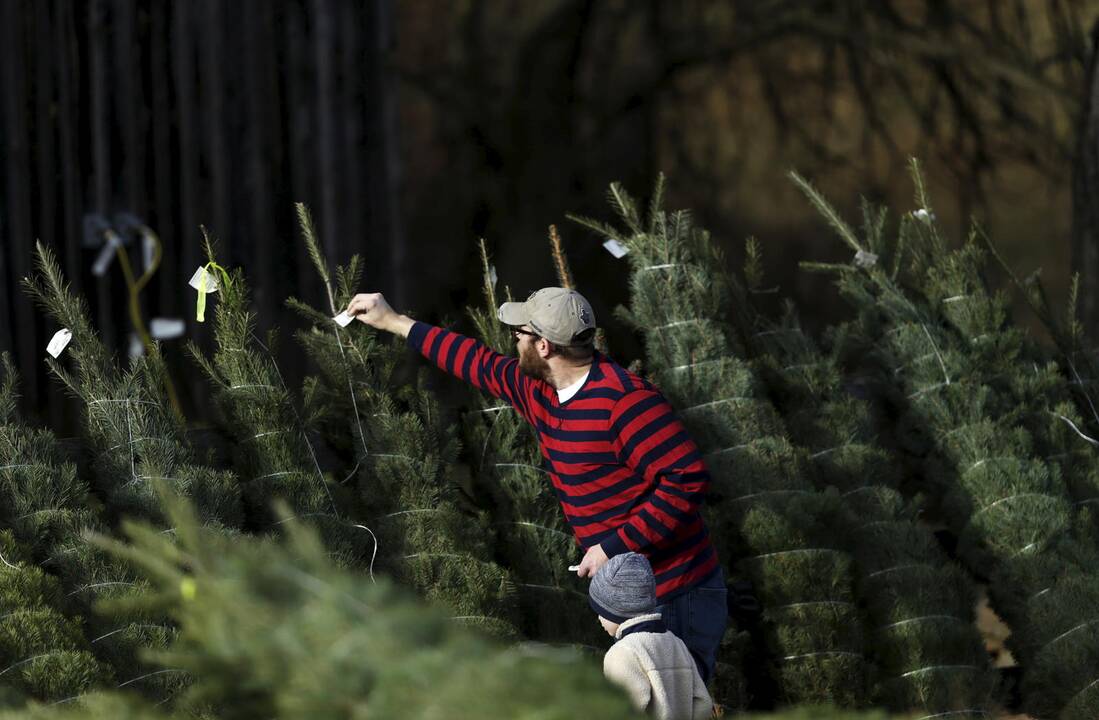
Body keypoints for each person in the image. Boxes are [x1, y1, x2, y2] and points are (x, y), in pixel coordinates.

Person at [345, 287, 727, 681]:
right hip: (627, 591)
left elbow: (685, 481)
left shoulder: (625, 402)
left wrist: (613, 546)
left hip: (678, 590)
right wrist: (392, 321)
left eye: (520, 334)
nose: (515, 339)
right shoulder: (540, 389)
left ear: (543, 346)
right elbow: (474, 361)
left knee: (680, 703)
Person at [590, 552, 713, 720]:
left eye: (601, 610)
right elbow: (702, 704)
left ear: (618, 609)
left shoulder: (622, 653)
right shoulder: (676, 643)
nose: (598, 618)